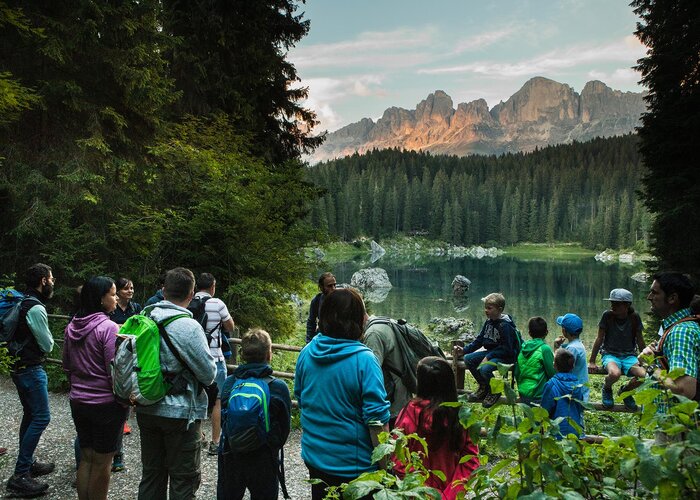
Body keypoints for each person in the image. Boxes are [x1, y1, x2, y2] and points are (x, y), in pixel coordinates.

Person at [295, 288, 390, 500]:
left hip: (315, 460)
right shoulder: (365, 360)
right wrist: (387, 468)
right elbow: (377, 423)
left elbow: (302, 400)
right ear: (358, 319)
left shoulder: (307, 353)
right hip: (355, 471)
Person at [135, 267, 217, 500]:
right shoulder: (189, 327)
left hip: (146, 406)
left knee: (151, 475)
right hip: (181, 413)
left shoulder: (143, 319)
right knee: (183, 479)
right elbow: (209, 374)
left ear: (163, 291)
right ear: (191, 294)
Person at [63, 276, 129, 500]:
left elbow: (67, 365)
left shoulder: (72, 325)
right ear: (101, 299)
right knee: (103, 464)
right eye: (112, 294)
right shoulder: (107, 328)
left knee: (87, 458)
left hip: (78, 401)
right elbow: (115, 371)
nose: (116, 297)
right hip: (105, 405)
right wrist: (124, 400)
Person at [217, 329, 291, 499]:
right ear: (269, 354)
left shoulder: (230, 382)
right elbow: (284, 428)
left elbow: (224, 419)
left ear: (242, 354)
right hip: (264, 457)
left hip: (232, 454)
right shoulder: (278, 387)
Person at [392, 357, 479, 500]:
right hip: (451, 494)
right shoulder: (461, 416)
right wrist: (449, 495)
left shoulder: (409, 413)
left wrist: (423, 493)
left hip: (416, 494)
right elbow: (471, 459)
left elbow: (398, 459)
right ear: (449, 382)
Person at [6, 263, 56, 498]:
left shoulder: (22, 301)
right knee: (42, 416)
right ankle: (20, 475)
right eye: (51, 278)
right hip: (31, 369)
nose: (53, 282)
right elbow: (47, 344)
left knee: (30, 414)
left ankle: (28, 464)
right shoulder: (35, 307)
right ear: (43, 281)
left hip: (18, 367)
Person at [192, 272, 235, 456]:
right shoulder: (217, 304)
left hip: (194, 358)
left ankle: (197, 436)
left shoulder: (189, 302)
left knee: (195, 396)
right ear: (212, 286)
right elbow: (230, 326)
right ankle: (215, 442)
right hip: (215, 357)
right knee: (218, 401)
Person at [457, 293, 520, 408]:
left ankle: (494, 391)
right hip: (493, 353)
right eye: (485, 307)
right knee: (468, 359)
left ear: (500, 309)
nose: (486, 310)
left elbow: (507, 349)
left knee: (485, 368)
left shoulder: (505, 326)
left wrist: (489, 357)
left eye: (489, 308)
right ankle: (484, 386)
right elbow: (480, 340)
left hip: (505, 356)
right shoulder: (489, 321)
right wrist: (464, 350)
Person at [645, 272, 699, 402]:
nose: (649, 297)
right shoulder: (681, 327)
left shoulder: (681, 332)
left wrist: (650, 365)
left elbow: (684, 391)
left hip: (677, 420)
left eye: (655, 292)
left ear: (672, 298)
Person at [588, 288, 645, 410]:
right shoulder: (607, 316)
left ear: (627, 305)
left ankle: (625, 391)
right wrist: (592, 361)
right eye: (612, 303)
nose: (613, 306)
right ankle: (607, 388)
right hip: (610, 354)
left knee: (644, 375)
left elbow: (640, 340)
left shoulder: (634, 317)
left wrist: (646, 360)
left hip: (629, 355)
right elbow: (599, 339)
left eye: (617, 304)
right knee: (615, 374)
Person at [109, 277, 142, 471]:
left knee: (124, 400)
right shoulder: (110, 308)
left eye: (132, 288)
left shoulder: (136, 307)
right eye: (126, 288)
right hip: (112, 355)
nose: (130, 291)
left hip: (130, 356)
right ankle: (115, 454)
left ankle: (117, 453)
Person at [363, 316, 412, 426]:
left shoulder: (373, 334)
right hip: (402, 399)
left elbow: (371, 375)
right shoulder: (384, 323)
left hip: (391, 406)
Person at [541, 348, 585, 439]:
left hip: (556, 432)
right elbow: (580, 405)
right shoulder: (578, 385)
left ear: (554, 365)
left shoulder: (551, 384)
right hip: (574, 431)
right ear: (572, 367)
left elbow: (544, 411)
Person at [514, 317, 555, 405]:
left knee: (528, 418)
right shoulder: (545, 349)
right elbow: (552, 373)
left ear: (529, 333)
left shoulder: (523, 347)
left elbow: (517, 371)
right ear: (547, 332)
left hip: (523, 393)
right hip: (538, 395)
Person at [554, 313, 590, 402]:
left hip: (574, 392)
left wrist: (555, 347)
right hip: (579, 390)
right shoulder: (578, 344)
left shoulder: (572, 348)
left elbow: (560, 366)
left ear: (564, 331)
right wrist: (560, 346)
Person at [305, 272, 336, 343]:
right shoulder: (317, 301)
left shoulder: (341, 299)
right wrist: (309, 342)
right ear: (321, 287)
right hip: (322, 338)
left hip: (339, 338)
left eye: (334, 285)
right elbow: (311, 322)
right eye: (329, 286)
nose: (333, 288)